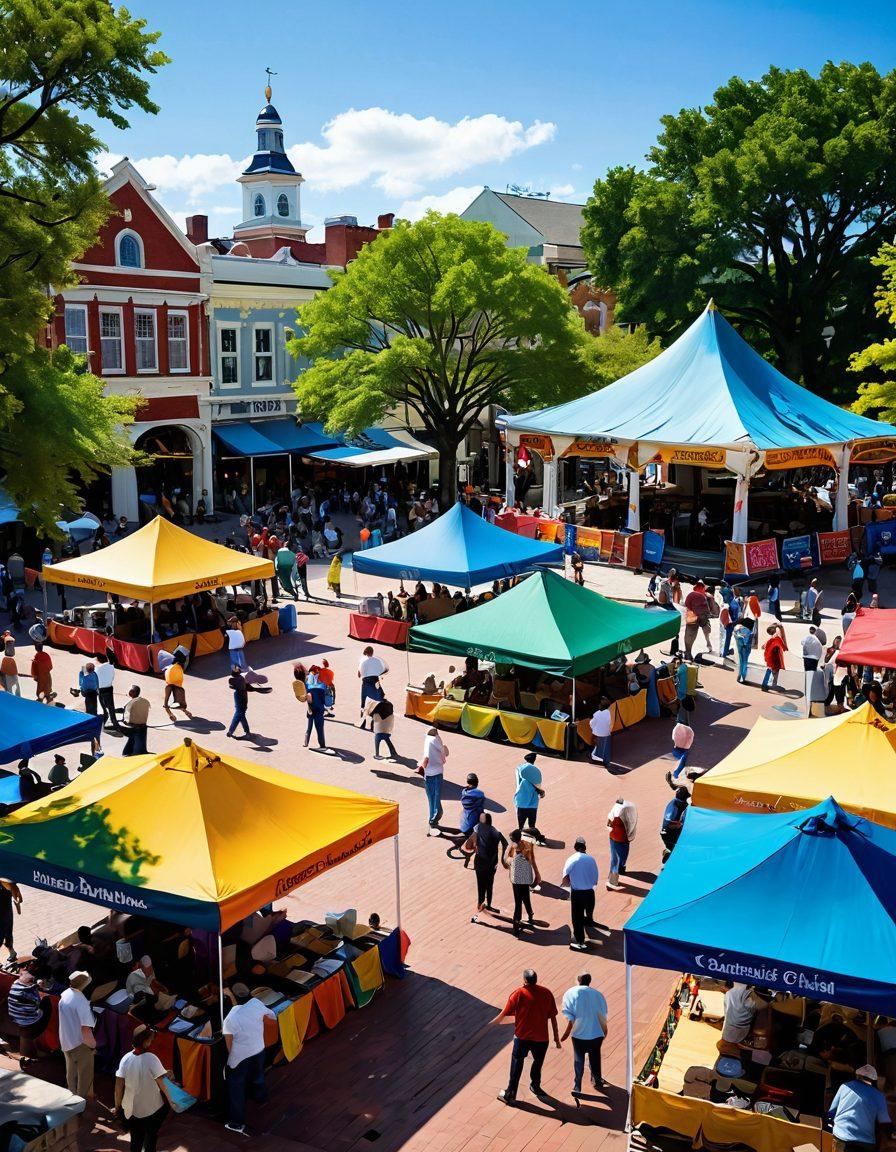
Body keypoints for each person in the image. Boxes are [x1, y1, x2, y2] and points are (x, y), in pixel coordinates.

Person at [492, 969, 560, 1105]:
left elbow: (504, 1014)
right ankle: (535, 1085)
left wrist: (492, 1024)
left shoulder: (518, 994)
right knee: (538, 1062)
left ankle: (510, 1092)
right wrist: (556, 1038)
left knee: (517, 1063)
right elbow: (552, 1017)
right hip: (541, 1038)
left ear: (524, 980)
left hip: (522, 1037)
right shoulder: (546, 993)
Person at [222, 983, 275, 1136]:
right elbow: (271, 1016)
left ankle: (237, 1123)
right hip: (259, 1048)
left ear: (234, 997)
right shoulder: (257, 1004)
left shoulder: (230, 1019)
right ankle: (261, 1097)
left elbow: (229, 1047)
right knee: (258, 1075)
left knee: (236, 1089)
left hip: (240, 1057)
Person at [115, 1024, 172, 1152]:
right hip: (151, 1109)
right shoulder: (152, 1059)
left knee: (136, 1139)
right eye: (151, 1040)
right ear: (146, 1042)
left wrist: (118, 1105)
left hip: (132, 1109)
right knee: (151, 1136)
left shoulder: (125, 1059)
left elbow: (118, 1086)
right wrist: (173, 1102)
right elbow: (163, 1083)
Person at [560, 972, 609, 1097]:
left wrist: (566, 1032)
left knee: (579, 1059)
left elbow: (568, 1015)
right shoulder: (598, 995)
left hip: (579, 1034)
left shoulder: (570, 993)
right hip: (596, 1033)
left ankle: (577, 1085)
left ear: (578, 980)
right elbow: (603, 1015)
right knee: (595, 1057)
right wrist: (604, 1031)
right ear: (589, 981)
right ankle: (597, 1079)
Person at [827, 1065, 891, 1152]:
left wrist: (829, 1123)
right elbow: (884, 1122)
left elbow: (831, 1112)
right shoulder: (879, 1095)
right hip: (865, 1142)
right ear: (873, 1080)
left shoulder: (844, 1086)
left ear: (858, 1076)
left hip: (840, 1136)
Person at [463, 813, 507, 922]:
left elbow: (467, 846)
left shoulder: (477, 831)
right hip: (492, 863)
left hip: (480, 862)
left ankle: (480, 907)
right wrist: (502, 858)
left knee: (480, 885)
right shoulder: (495, 832)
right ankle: (488, 905)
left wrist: (475, 848)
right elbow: (505, 843)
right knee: (489, 884)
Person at [59, 970, 96, 1099]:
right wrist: (92, 1045)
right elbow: (86, 1028)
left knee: (71, 1071)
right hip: (80, 1043)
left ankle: (71, 1094)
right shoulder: (81, 1002)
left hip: (65, 1040)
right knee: (85, 1075)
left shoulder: (65, 994)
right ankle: (80, 1100)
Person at [561, 837, 599, 950]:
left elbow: (565, 878)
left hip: (577, 893)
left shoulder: (571, 859)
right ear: (585, 847)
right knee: (588, 911)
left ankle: (580, 941)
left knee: (577, 919)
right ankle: (589, 920)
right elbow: (595, 879)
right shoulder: (591, 859)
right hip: (590, 893)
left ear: (575, 847)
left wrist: (569, 884)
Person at [8, 970, 52, 1065]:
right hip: (30, 1023)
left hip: (15, 1018)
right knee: (47, 1003)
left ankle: (30, 1049)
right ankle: (31, 1053)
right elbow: (38, 1002)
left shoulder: (15, 984)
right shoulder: (31, 991)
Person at [505, 829, 540, 936]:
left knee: (518, 902)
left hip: (516, 879)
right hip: (525, 878)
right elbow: (532, 860)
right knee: (526, 896)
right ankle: (530, 916)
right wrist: (537, 874)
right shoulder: (528, 845)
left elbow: (507, 860)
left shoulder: (512, 847)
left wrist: (509, 861)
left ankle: (516, 925)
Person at [514, 752, 545, 843]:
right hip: (533, 804)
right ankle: (536, 838)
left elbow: (518, 784)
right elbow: (538, 786)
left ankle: (518, 840)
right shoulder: (536, 772)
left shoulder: (519, 769)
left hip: (521, 802)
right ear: (533, 760)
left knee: (520, 825)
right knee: (532, 824)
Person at [420, 727, 447, 832]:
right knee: (437, 795)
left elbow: (426, 758)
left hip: (429, 774)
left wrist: (422, 768)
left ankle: (433, 818)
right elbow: (445, 753)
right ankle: (436, 815)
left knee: (431, 798)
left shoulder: (428, 741)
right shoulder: (438, 741)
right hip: (439, 772)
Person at [606, 799, 637, 890]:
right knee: (619, 857)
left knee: (616, 857)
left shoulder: (615, 812)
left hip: (615, 837)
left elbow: (608, 824)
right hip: (623, 838)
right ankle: (612, 881)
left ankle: (619, 871)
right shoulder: (626, 811)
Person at [358, 646, 388, 727]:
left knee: (363, 703)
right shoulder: (377, 660)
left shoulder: (362, 660)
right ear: (372, 652)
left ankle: (362, 723)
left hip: (366, 682)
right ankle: (373, 724)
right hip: (375, 681)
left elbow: (359, 674)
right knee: (376, 702)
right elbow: (382, 672)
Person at [95, 653, 123, 732]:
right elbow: (112, 676)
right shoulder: (111, 666)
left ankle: (107, 719)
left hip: (101, 689)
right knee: (111, 706)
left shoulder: (97, 668)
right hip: (109, 688)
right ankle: (114, 721)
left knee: (103, 705)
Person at [122, 686, 150, 757]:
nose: (129, 692)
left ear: (135, 692)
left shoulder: (131, 703)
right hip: (143, 725)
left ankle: (131, 751)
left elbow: (126, 718)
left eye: (131, 691)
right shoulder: (145, 701)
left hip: (133, 726)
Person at [163, 654, 192, 719]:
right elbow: (180, 680)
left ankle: (170, 714)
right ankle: (184, 711)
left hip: (169, 687)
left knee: (167, 703)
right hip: (178, 688)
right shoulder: (179, 669)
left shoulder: (170, 667)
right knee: (178, 702)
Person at [304, 671, 328, 750]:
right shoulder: (323, 685)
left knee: (309, 727)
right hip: (319, 710)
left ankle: (306, 742)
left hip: (311, 710)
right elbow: (326, 699)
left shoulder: (308, 684)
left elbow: (306, 697)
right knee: (320, 729)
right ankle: (322, 746)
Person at [0, 879, 21, 960]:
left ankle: (12, 951)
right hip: (5, 909)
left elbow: (15, 890)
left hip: (5, 910)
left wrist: (17, 904)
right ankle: (12, 951)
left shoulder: (7, 876)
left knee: (7, 931)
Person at [761, 623, 787, 691]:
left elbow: (763, 646)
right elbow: (783, 647)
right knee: (774, 671)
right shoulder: (777, 639)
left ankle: (767, 684)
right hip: (774, 658)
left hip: (769, 657)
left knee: (770, 670)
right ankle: (769, 685)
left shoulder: (770, 639)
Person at [227, 666, 250, 739]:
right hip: (244, 696)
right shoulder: (242, 679)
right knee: (241, 715)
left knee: (238, 715)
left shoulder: (232, 680)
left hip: (239, 696)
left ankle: (231, 731)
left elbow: (231, 686)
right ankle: (247, 732)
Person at [589, 698, 613, 769]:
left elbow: (591, 723)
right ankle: (607, 762)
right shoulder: (610, 713)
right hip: (607, 733)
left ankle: (595, 758)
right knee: (607, 748)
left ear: (601, 706)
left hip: (598, 734)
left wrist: (594, 728)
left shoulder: (597, 714)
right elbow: (610, 723)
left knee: (597, 746)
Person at [459, 773, 485, 837]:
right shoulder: (480, 794)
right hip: (472, 826)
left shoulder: (464, 791)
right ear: (477, 782)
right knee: (484, 816)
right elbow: (482, 804)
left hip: (463, 825)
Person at [733, 616, 754, 684]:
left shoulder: (736, 629)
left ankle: (739, 677)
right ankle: (742, 679)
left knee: (741, 662)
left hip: (739, 648)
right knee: (744, 663)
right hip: (745, 648)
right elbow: (747, 640)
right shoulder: (747, 630)